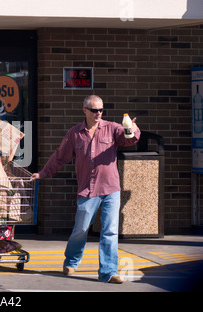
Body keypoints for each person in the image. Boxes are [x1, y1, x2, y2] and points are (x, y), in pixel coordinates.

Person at [31, 95, 140, 284]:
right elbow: (60, 156)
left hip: (111, 188)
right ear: (85, 110)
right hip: (87, 190)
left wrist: (132, 129)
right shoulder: (75, 133)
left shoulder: (113, 128)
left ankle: (108, 271)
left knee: (110, 231)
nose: (98, 113)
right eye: (94, 110)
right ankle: (71, 261)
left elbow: (129, 140)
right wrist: (43, 173)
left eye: (101, 110)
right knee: (81, 228)